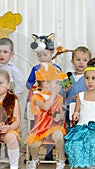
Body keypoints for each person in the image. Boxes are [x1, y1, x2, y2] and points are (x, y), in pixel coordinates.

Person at [25, 63, 67, 169]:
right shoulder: (37, 96)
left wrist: (60, 116)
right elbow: (45, 107)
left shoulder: (59, 98)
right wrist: (53, 95)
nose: (48, 84)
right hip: (41, 127)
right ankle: (34, 160)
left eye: (51, 81)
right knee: (33, 142)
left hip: (53, 126)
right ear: (40, 83)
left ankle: (61, 160)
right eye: (45, 81)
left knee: (59, 136)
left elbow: (62, 115)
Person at [25, 33, 61, 161]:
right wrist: (32, 85)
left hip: (51, 101)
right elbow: (28, 83)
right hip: (38, 101)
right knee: (35, 124)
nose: (42, 58)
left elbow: (60, 84)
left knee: (51, 124)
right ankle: (32, 152)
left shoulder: (57, 68)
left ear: (52, 53)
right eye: (39, 55)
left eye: (45, 55)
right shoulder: (35, 68)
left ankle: (49, 153)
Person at [64, 46, 92, 132]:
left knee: (82, 129)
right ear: (72, 61)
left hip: (83, 109)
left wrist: (82, 96)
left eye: (85, 60)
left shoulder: (89, 77)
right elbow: (62, 92)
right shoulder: (68, 77)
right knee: (68, 129)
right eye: (78, 59)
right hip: (68, 108)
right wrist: (65, 90)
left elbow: (94, 93)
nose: (81, 63)